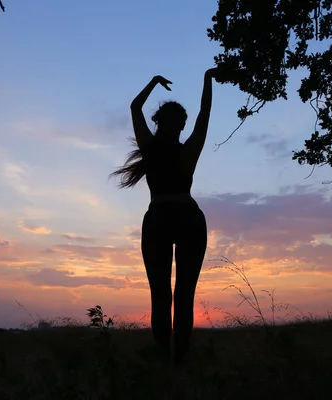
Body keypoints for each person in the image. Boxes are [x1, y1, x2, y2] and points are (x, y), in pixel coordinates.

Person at [111, 68, 220, 365]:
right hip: (187, 217)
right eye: (181, 123)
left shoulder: (150, 149)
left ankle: (162, 360)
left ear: (159, 123)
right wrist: (207, 78)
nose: (183, 127)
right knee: (182, 295)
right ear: (178, 125)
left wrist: (153, 83)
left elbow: (135, 108)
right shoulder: (188, 150)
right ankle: (178, 361)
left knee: (162, 295)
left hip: (160, 217)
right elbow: (205, 114)